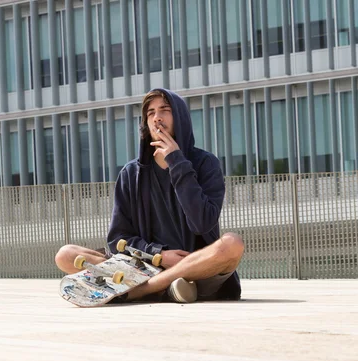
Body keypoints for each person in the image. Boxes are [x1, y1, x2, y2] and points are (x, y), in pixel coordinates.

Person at [55, 88, 244, 303]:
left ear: (180, 118)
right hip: (145, 265)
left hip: (196, 265)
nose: (157, 118)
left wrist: (177, 163)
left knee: (232, 244)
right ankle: (167, 288)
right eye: (151, 113)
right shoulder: (131, 173)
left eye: (165, 110)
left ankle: (144, 290)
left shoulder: (205, 164)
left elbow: (202, 223)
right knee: (66, 254)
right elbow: (118, 239)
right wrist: (159, 255)